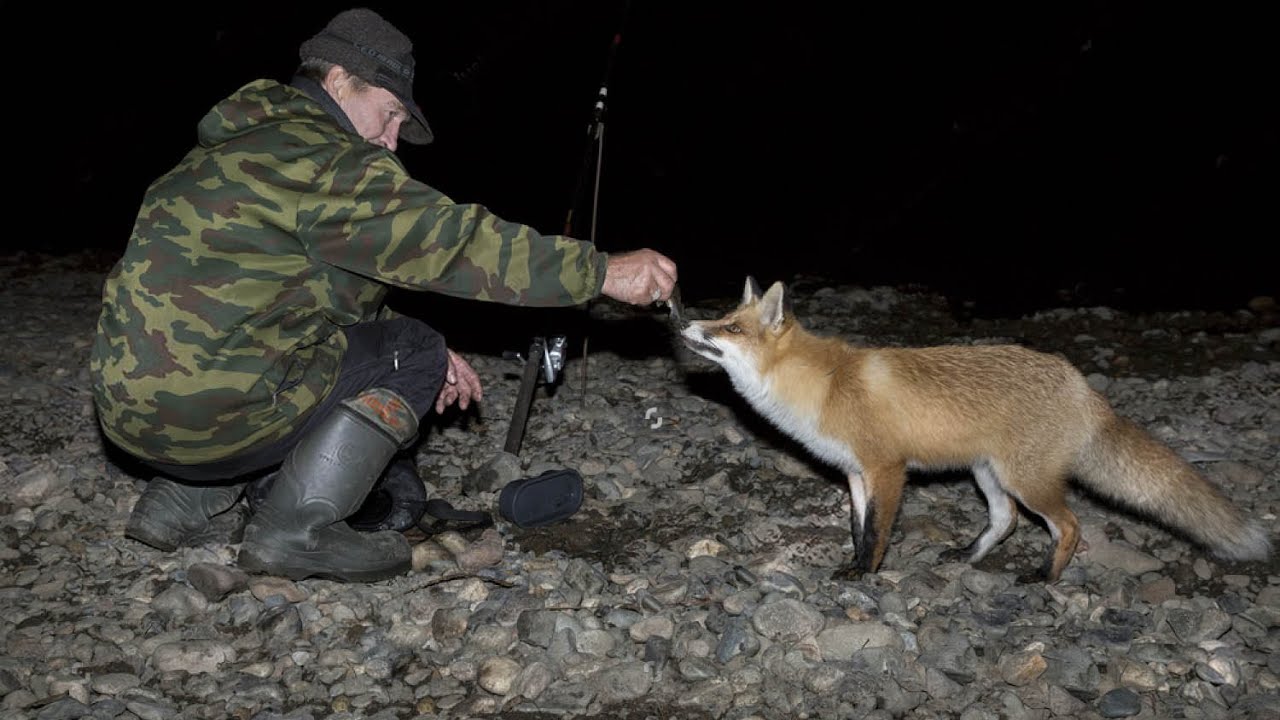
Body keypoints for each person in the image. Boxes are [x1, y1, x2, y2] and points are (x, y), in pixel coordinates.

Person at [89, 7, 677, 583]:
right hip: (213, 421)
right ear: (340, 79)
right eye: (389, 113)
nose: (392, 141)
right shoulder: (331, 162)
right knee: (413, 347)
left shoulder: (222, 154)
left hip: (129, 416)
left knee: (291, 356)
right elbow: (456, 243)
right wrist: (600, 271)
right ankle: (295, 534)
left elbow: (299, 292)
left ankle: (177, 503)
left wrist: (386, 346)